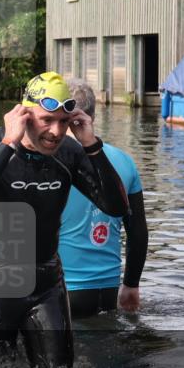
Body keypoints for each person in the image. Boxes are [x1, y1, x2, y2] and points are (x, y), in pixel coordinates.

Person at [0, 71, 130, 368]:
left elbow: (116, 207)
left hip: (47, 281)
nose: (56, 131)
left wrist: (91, 145)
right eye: (46, 120)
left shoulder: (69, 154)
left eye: (63, 122)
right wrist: (9, 142)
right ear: (23, 114)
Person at [58, 79, 148, 318]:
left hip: (62, 291)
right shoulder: (124, 161)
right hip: (108, 291)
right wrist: (131, 285)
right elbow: (137, 231)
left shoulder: (52, 163)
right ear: (92, 116)